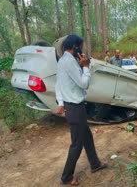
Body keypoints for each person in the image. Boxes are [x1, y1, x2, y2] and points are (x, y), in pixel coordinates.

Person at [55, 34, 107, 186]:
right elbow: (84, 83)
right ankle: (66, 177)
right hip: (75, 107)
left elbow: (59, 84)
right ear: (75, 47)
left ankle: (95, 163)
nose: (82, 49)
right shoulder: (70, 62)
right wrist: (85, 67)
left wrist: (60, 102)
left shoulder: (62, 60)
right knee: (77, 144)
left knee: (87, 137)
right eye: (81, 46)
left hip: (73, 107)